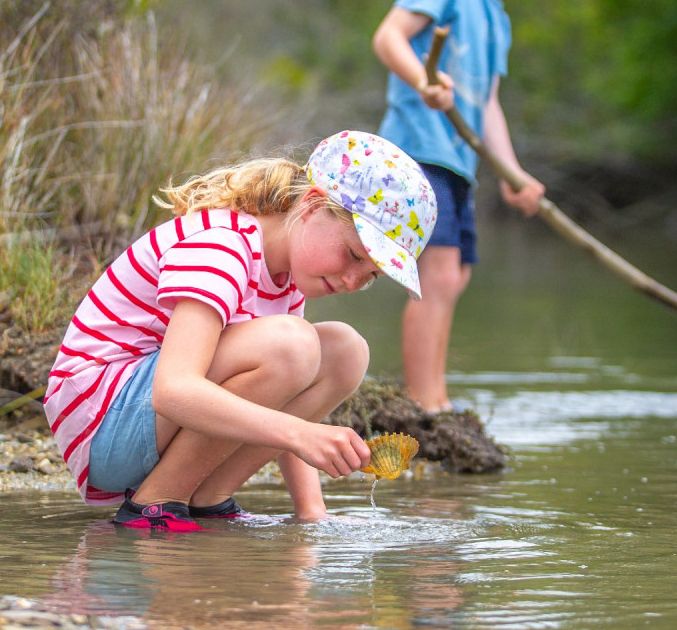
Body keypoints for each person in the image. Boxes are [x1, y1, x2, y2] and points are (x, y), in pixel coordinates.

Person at [44, 131, 438, 531]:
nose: (353, 280)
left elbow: (285, 393)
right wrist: (298, 434)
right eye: (353, 254)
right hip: (102, 424)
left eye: (371, 275)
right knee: (294, 346)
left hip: (141, 423)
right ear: (312, 205)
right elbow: (173, 390)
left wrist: (312, 514)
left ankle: (206, 498)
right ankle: (156, 503)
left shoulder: (285, 276)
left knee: (345, 351)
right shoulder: (221, 248)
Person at [371, 0, 569, 414]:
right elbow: (389, 36)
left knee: (454, 277)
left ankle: (434, 398)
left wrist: (513, 174)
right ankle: (425, 406)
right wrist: (424, 82)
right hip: (418, 154)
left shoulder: (496, 18)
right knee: (436, 276)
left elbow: (488, 107)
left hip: (458, 162)